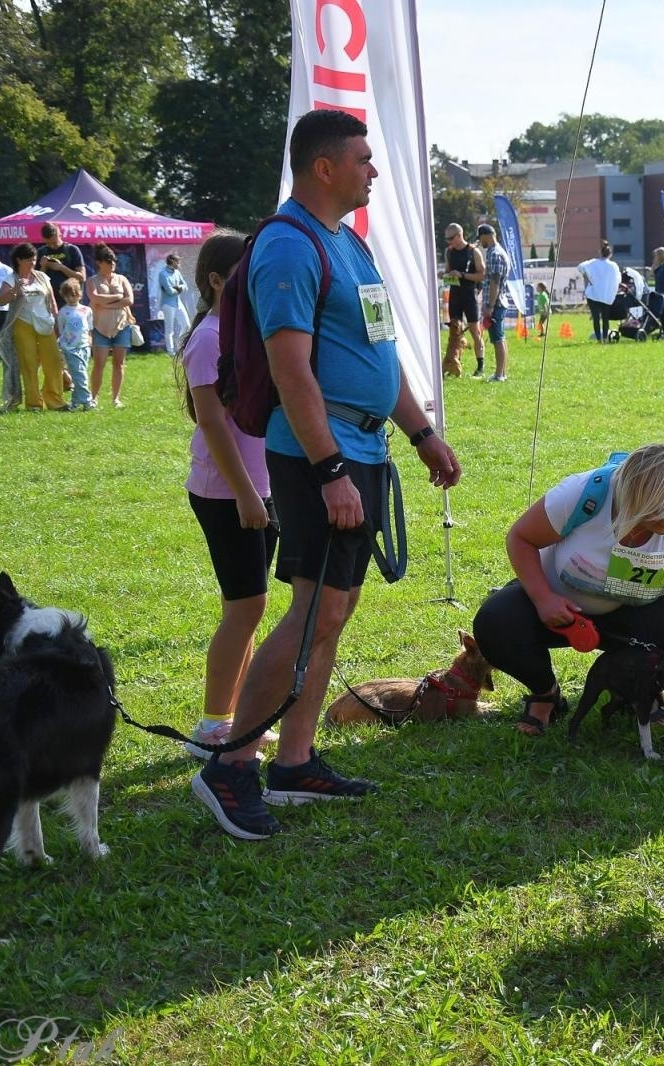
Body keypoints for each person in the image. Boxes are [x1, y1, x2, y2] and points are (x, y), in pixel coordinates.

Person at [192, 109, 462, 841]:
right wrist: (331, 469)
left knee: (332, 614)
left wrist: (421, 433)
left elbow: (379, 354)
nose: (374, 169)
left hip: (364, 453)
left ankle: (296, 763)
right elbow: (289, 369)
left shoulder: (351, 246)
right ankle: (232, 764)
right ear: (324, 168)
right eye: (363, 158)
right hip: (322, 458)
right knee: (310, 612)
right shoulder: (287, 246)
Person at [472, 444, 664, 737]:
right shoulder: (582, 494)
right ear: (632, 501)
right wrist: (543, 598)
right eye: (659, 513)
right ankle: (545, 694)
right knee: (495, 622)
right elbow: (520, 537)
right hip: (556, 607)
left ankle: (631, 693)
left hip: (627, 614)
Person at [175, 229, 280, 761]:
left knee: (250, 608)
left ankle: (234, 717)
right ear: (217, 280)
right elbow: (213, 424)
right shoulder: (210, 338)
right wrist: (245, 495)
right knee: (246, 606)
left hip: (260, 488)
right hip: (228, 493)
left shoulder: (246, 332)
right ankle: (213, 724)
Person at [0, 242, 63, 411]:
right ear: (19, 260)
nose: (33, 263)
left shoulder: (42, 276)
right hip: (23, 324)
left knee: (54, 362)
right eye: (29, 260)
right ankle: (34, 403)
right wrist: (15, 290)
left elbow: (52, 301)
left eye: (34, 259)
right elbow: (0, 300)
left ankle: (55, 400)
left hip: (45, 323)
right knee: (29, 364)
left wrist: (57, 321)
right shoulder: (11, 278)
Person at [87, 243, 135, 409]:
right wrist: (117, 297)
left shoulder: (122, 279)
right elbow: (94, 299)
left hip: (122, 326)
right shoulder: (92, 281)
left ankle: (116, 399)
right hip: (100, 327)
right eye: (108, 261)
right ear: (99, 262)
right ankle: (93, 398)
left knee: (119, 363)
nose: (112, 264)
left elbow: (129, 300)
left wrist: (107, 303)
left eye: (113, 261)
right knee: (99, 363)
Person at [443, 223, 486, 375]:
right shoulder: (449, 252)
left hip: (470, 294)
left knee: (475, 330)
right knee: (454, 332)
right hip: (455, 294)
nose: (449, 242)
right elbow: (447, 271)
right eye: (447, 239)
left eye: (451, 238)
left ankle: (480, 366)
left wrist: (462, 275)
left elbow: (482, 275)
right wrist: (446, 275)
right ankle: (454, 363)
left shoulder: (473, 252)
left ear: (459, 235)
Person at [476, 223, 511, 382]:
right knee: (500, 338)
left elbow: (495, 281)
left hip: (495, 303)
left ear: (486, 236)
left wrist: (489, 305)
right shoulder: (499, 251)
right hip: (499, 301)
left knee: (497, 339)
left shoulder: (494, 254)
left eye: (480, 238)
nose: (480, 243)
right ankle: (502, 372)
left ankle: (499, 375)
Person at [55, 279, 95, 411]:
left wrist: (89, 341)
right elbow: (61, 330)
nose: (71, 298)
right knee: (80, 375)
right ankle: (88, 401)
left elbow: (89, 328)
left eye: (73, 295)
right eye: (67, 296)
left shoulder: (86, 310)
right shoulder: (63, 312)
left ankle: (75, 402)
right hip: (70, 348)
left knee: (80, 373)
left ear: (79, 294)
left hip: (84, 346)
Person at [579, 241, 622, 342]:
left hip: (593, 294)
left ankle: (599, 339)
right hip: (606, 295)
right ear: (610, 254)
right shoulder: (613, 265)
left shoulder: (593, 262)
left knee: (596, 318)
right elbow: (618, 279)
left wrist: (587, 279)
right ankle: (606, 338)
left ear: (600, 253)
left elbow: (581, 267)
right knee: (605, 318)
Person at [36, 222, 86, 307]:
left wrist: (62, 268)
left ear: (60, 235)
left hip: (70, 301)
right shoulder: (41, 252)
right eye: (48, 243)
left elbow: (82, 278)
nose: (52, 246)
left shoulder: (72, 250)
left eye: (54, 243)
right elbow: (36, 282)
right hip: (49, 301)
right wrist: (44, 267)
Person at [157, 253, 190, 355]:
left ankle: (179, 345)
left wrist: (178, 287)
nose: (179, 264)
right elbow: (169, 291)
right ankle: (171, 351)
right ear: (171, 261)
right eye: (177, 262)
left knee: (187, 325)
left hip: (178, 303)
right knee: (169, 329)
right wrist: (179, 288)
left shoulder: (177, 272)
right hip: (168, 304)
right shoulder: (162, 274)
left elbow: (186, 286)